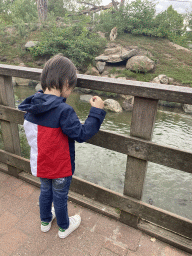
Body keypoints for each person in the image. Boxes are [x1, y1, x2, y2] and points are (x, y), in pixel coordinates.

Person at [18, 54, 106, 239]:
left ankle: (45, 222)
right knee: (59, 197)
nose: (71, 91)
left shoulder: (32, 105)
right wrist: (96, 111)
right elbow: (81, 134)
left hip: (40, 164)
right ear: (66, 83)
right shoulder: (64, 111)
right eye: (72, 88)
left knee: (45, 192)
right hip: (59, 168)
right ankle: (64, 227)